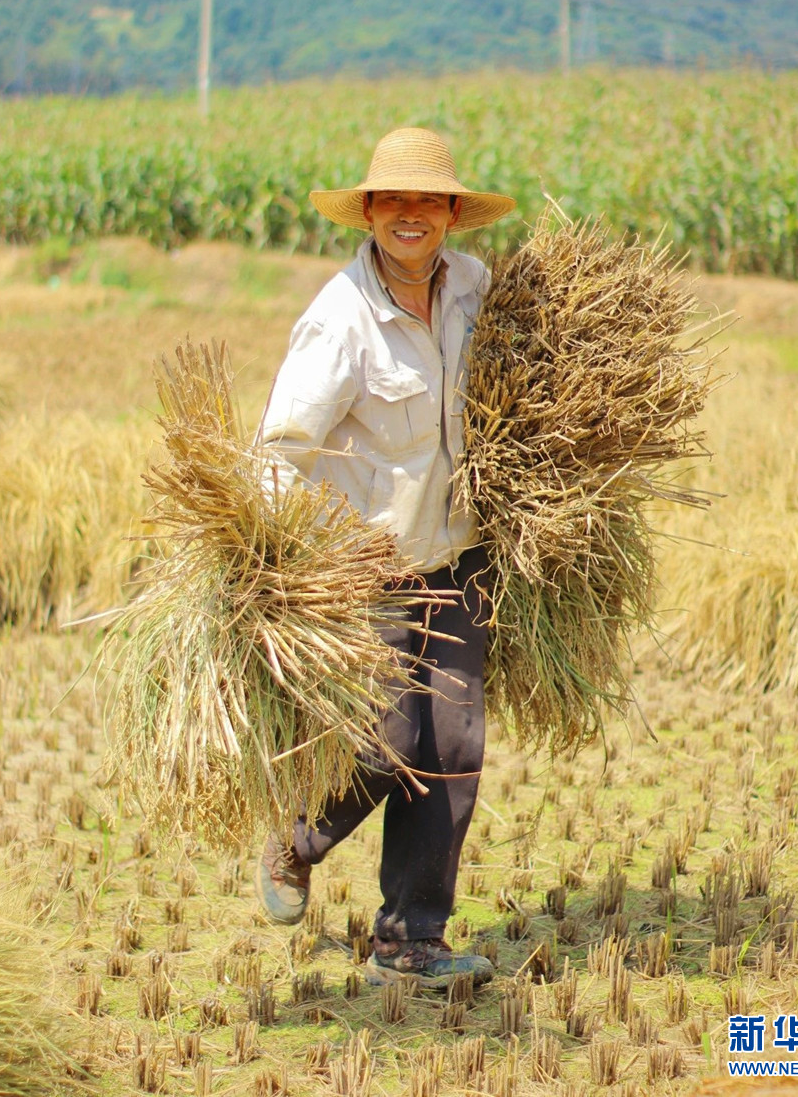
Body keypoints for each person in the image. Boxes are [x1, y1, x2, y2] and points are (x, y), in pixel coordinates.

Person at [254, 126, 515, 989]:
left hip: (459, 556)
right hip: (367, 574)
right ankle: (296, 842)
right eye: (393, 201)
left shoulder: (475, 288)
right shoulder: (338, 323)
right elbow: (278, 454)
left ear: (450, 213)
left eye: (428, 200)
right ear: (368, 212)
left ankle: (410, 944)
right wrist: (314, 560)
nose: (411, 216)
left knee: (452, 744)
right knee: (384, 743)